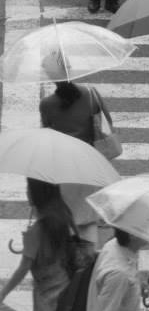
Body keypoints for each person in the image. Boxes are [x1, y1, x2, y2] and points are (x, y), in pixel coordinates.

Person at [0, 179, 83, 311]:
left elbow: (23, 268)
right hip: (66, 287)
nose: (26, 192)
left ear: (38, 194)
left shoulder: (37, 230)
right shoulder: (64, 215)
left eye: (28, 189)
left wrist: (3, 292)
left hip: (46, 295)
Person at [38, 82, 103, 245]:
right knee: (88, 219)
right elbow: (100, 124)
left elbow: (46, 134)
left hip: (61, 165)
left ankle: (67, 261)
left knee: (65, 218)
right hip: (88, 162)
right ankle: (88, 262)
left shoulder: (46, 104)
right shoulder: (90, 94)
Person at [86, 228, 149, 311]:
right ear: (132, 235)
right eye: (147, 225)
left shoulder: (114, 244)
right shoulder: (119, 275)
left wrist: (137, 285)